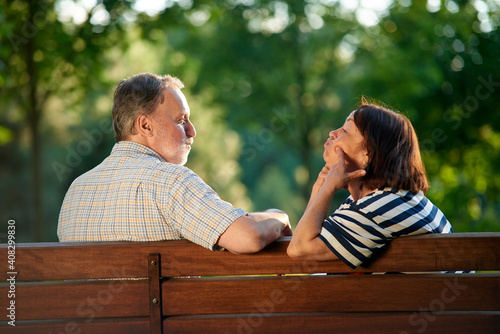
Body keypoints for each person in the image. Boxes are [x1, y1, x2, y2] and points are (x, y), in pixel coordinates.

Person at [58, 73, 292, 254]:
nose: (192, 131)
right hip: (155, 318)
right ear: (145, 125)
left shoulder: (75, 190)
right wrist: (279, 217)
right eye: (181, 120)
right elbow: (248, 237)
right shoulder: (171, 181)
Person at [287, 99, 454, 269]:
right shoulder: (389, 200)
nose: (332, 133)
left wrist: (328, 188)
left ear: (368, 155)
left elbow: (299, 248)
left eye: (345, 130)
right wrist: (320, 188)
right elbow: (305, 240)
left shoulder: (376, 208)